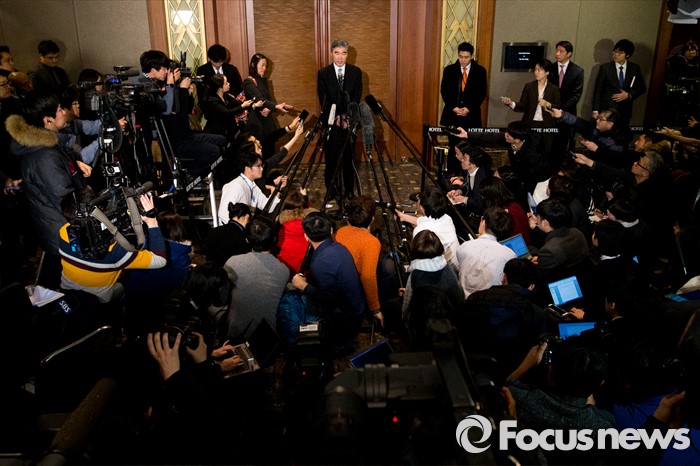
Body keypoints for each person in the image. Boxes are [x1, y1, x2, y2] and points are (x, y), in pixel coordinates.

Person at [6, 92, 90, 287]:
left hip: (61, 229)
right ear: (47, 120)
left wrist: (73, 166)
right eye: (59, 109)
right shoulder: (44, 157)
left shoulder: (47, 146)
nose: (64, 112)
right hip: (64, 233)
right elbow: (65, 199)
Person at [58, 187, 166, 303]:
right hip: (97, 300)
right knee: (122, 288)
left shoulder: (63, 231)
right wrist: (152, 222)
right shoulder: (116, 251)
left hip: (67, 291)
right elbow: (160, 260)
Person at [291, 212, 367, 356]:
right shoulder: (339, 248)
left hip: (346, 318)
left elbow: (329, 299)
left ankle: (338, 347)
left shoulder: (321, 262)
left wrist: (303, 286)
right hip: (355, 308)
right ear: (331, 230)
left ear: (306, 236)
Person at [225, 216, 290, 340]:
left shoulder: (233, 263)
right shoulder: (283, 270)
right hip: (267, 338)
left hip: (235, 334)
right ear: (275, 239)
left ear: (247, 240)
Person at [317, 39, 363, 200]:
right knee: (331, 159)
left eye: (343, 53)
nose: (340, 57)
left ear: (347, 54)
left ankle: (349, 190)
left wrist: (346, 116)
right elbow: (323, 99)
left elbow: (356, 97)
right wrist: (335, 116)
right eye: (337, 53)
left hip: (348, 122)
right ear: (332, 54)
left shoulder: (355, 72)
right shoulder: (323, 73)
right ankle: (331, 190)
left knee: (348, 158)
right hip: (330, 121)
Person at [439, 42, 488, 174]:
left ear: (472, 56)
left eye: (466, 57)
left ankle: (468, 174)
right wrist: (453, 107)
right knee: (453, 146)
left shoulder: (480, 71)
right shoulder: (449, 70)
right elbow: (444, 91)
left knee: (470, 147)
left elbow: (481, 93)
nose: (463, 60)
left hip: (471, 116)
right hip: (453, 115)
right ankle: (453, 174)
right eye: (461, 57)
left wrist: (469, 108)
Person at [334, 195, 383, 326]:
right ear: (372, 219)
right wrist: (375, 309)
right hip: (354, 294)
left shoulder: (340, 231)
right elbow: (368, 277)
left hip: (337, 289)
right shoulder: (371, 242)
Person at [400, 230, 464, 327]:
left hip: (426, 325)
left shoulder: (415, 275)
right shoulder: (448, 268)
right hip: (452, 322)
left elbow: (406, 308)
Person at [456, 207, 516, 298]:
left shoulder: (463, 247)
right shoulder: (509, 255)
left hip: (465, 302)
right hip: (494, 301)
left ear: (483, 221)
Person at [396, 186, 460, 269]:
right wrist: (403, 216)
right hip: (455, 264)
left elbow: (420, 259)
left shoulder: (420, 231)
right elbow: (423, 221)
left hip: (440, 268)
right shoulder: (447, 218)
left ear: (422, 207)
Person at [243, 53, 293, 159]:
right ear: (253, 65)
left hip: (267, 121)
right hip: (256, 122)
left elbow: (268, 98)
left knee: (270, 151)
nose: (264, 68)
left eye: (265, 65)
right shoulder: (248, 81)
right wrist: (276, 106)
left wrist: (270, 108)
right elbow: (259, 98)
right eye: (262, 65)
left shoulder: (263, 80)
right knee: (259, 154)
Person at [217, 151, 287, 223]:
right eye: (258, 166)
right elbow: (223, 214)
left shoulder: (253, 186)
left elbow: (267, 207)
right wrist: (239, 227)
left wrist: (278, 189)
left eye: (261, 165)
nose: (262, 169)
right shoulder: (235, 186)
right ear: (247, 168)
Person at [529, 197, 589, 278]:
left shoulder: (548, 250)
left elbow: (543, 277)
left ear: (544, 222)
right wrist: (543, 260)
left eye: (537, 216)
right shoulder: (576, 232)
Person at [592, 39, 646, 127]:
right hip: (607, 109)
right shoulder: (605, 68)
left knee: (621, 132)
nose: (616, 54)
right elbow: (598, 90)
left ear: (627, 55)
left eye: (620, 53)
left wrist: (628, 95)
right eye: (615, 51)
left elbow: (642, 87)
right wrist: (595, 110)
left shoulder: (634, 68)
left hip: (624, 110)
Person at [501, 58, 560, 130]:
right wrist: (510, 103)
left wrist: (548, 104)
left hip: (547, 125)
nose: (536, 72)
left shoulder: (554, 88)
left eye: (539, 70)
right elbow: (522, 105)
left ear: (547, 72)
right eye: (535, 70)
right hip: (529, 124)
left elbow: (558, 106)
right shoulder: (529, 86)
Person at [202, 73, 258, 143]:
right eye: (226, 83)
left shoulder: (225, 95)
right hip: (216, 132)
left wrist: (253, 105)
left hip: (228, 129)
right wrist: (242, 106)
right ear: (220, 88)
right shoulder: (212, 101)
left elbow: (237, 103)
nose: (229, 84)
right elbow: (227, 113)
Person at [275, 191, 315, 275]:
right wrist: (305, 198)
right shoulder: (311, 225)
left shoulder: (281, 227)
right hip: (304, 270)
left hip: (283, 270)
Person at [204, 202, 251, 266]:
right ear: (247, 216)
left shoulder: (214, 231)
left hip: (213, 269)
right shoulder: (242, 236)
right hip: (233, 270)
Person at [547, 41, 584, 116]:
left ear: (569, 54)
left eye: (561, 51)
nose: (557, 54)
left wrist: (561, 109)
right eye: (557, 51)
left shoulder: (577, 71)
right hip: (550, 110)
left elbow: (576, 95)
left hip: (568, 112)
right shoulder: (549, 68)